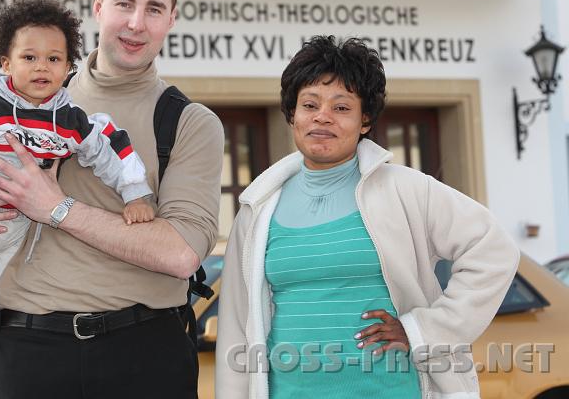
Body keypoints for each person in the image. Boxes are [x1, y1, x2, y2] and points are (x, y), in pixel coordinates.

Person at [0, 0, 224, 398]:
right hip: (26, 352)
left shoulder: (188, 122)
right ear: (99, 6)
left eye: (154, 9)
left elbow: (182, 254)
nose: (136, 23)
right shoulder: (10, 99)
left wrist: (56, 208)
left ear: (171, 19)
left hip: (143, 354)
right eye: (124, 3)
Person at [216, 35, 520, 399]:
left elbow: (493, 249)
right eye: (309, 104)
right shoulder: (258, 207)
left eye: (342, 108)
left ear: (365, 121)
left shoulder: (406, 190)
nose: (322, 117)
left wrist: (423, 330)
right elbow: (236, 325)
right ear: (292, 115)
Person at [0, 0, 154, 385]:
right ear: (6, 63)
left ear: (67, 67)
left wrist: (135, 193)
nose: (42, 66)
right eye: (29, 57)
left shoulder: (70, 119)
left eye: (54, 59)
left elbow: (110, 146)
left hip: (22, 224)